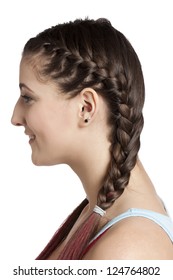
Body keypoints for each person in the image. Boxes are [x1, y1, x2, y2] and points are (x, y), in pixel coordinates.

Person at [11, 18, 173, 260]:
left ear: (86, 107)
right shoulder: (97, 210)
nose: (15, 117)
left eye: (28, 97)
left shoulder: (128, 250)